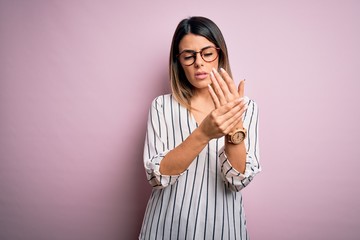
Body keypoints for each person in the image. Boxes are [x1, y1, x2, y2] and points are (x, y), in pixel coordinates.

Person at [139, 16, 261, 240]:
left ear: (219, 54)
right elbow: (156, 176)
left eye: (207, 53)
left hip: (223, 229)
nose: (199, 63)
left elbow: (238, 180)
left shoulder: (247, 108)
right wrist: (204, 133)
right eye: (188, 56)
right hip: (166, 228)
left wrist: (234, 130)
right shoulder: (161, 106)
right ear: (178, 61)